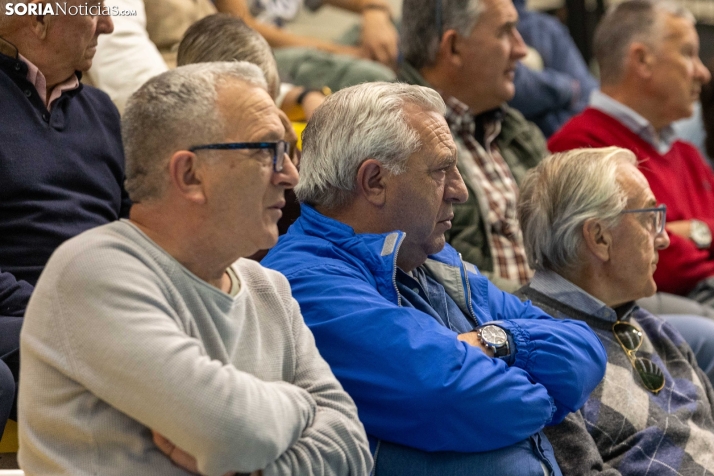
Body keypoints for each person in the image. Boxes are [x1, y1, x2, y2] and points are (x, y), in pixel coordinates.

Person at [18, 62, 371, 475]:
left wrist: (260, 470)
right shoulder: (93, 271)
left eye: (290, 153)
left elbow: (353, 449)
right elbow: (232, 430)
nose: (291, 175)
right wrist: (302, 403)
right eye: (267, 151)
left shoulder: (269, 287)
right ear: (189, 174)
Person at [262, 81, 607, 474]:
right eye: (441, 170)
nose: (459, 190)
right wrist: (546, 396)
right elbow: (461, 401)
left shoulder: (430, 257)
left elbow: (584, 349)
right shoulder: (304, 283)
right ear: (374, 181)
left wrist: (496, 342)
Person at [516, 147, 714, 474]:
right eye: (650, 218)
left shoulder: (650, 325)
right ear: (599, 238)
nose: (663, 238)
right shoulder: (536, 349)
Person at [0, 0, 130, 435]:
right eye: (95, 11)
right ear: (37, 19)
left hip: (99, 312)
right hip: (22, 314)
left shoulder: (102, 111)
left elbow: (139, 232)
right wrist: (55, 311)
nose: (109, 26)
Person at [548, 0, 714, 305]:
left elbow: (659, 249)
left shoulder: (685, 153)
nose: (702, 73)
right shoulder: (579, 147)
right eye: (688, 54)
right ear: (642, 60)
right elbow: (639, 264)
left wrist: (695, 231)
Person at [398, 0, 548, 292]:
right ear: (453, 47)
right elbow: (430, 277)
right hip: (486, 326)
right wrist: (547, 311)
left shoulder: (519, 131)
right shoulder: (397, 144)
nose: (521, 50)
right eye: (505, 32)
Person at [87, 0, 396, 112]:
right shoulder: (113, 15)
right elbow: (143, 88)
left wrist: (376, 9)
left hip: (232, 71)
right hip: (197, 91)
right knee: (372, 76)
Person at [508, 0, 598, 137]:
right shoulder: (481, 26)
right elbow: (517, 88)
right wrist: (566, 88)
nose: (520, 50)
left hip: (567, 139)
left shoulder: (546, 27)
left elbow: (588, 95)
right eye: (504, 32)